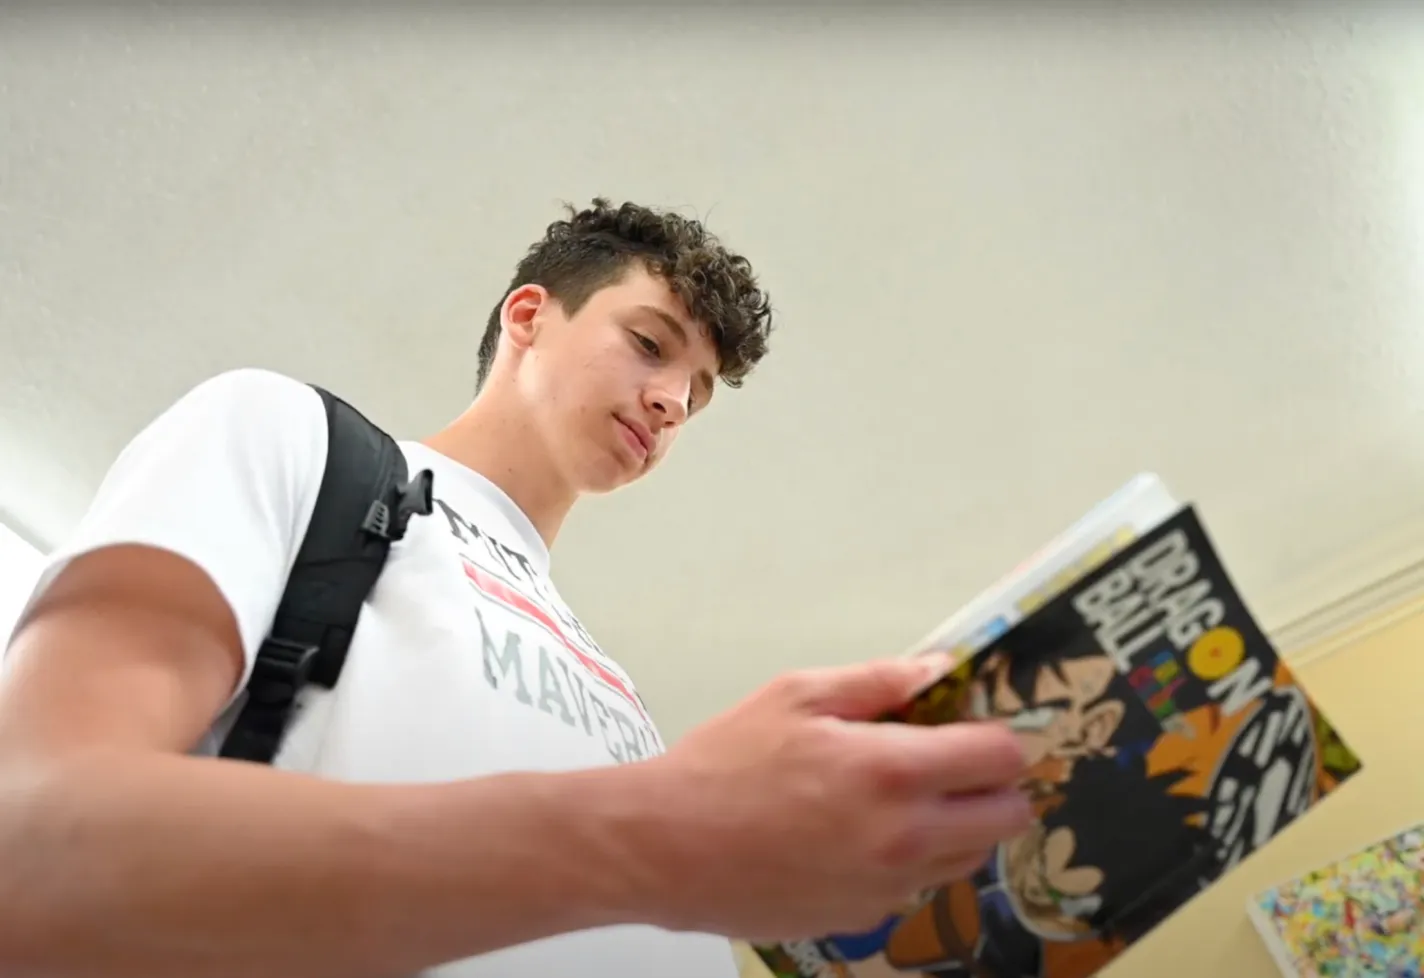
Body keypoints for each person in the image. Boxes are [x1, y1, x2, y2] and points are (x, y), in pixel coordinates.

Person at [0, 198, 1033, 978]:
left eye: (699, 393)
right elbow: (33, 837)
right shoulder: (289, 440)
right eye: (648, 343)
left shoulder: (623, 702)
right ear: (528, 315)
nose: (672, 400)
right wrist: (650, 835)